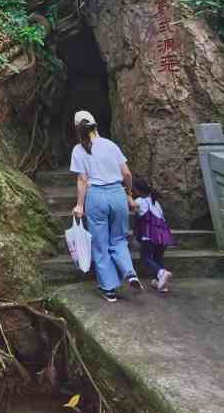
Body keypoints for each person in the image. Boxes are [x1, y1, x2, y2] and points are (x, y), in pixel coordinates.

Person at [70, 110, 143, 302]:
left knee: (101, 244)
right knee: (119, 239)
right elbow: (127, 174)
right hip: (117, 195)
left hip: (96, 198)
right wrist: (128, 194)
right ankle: (130, 272)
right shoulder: (111, 145)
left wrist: (79, 205)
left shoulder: (79, 150)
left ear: (77, 130)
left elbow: (82, 180)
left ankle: (109, 289)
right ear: (96, 125)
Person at [128, 177, 176, 293]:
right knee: (158, 258)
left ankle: (161, 273)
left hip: (149, 235)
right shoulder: (155, 201)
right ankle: (161, 283)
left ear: (137, 190)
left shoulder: (139, 201)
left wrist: (128, 195)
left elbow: (133, 210)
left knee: (146, 258)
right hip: (163, 235)